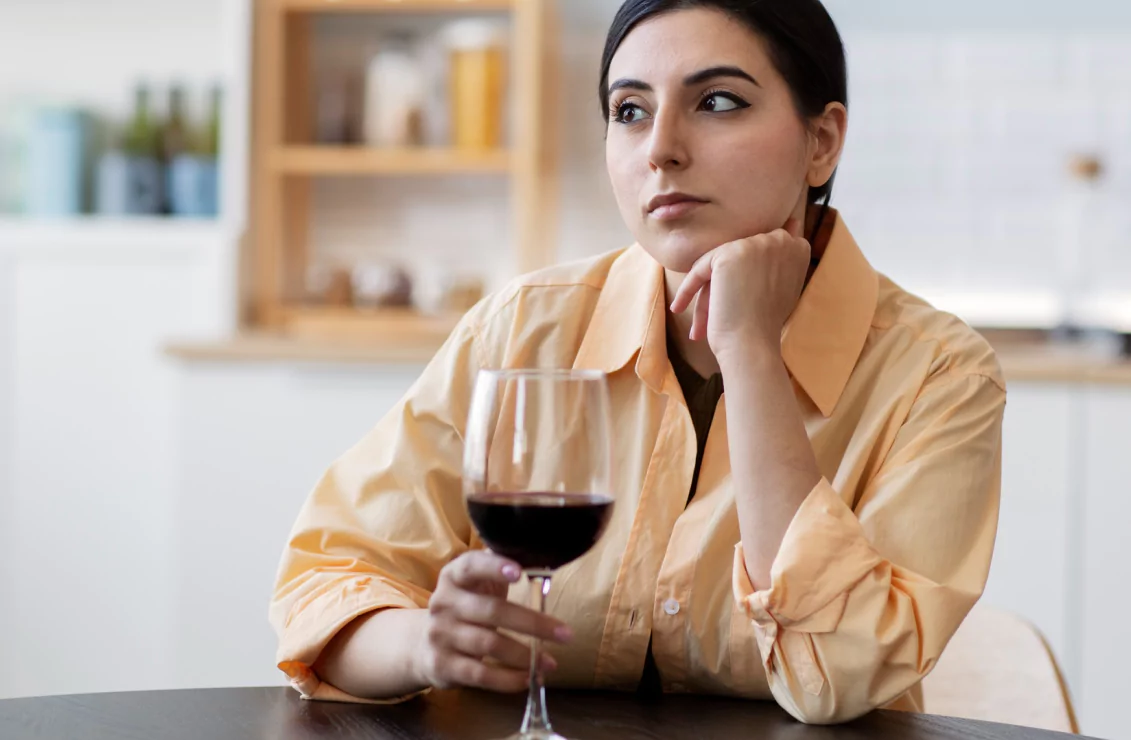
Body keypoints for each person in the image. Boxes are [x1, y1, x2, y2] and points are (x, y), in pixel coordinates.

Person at [269, 0, 1005, 724]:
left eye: (716, 101)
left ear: (821, 142)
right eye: (628, 111)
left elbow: (835, 676)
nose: (659, 149)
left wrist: (748, 351)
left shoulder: (939, 378)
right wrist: (422, 645)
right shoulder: (522, 328)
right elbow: (325, 581)